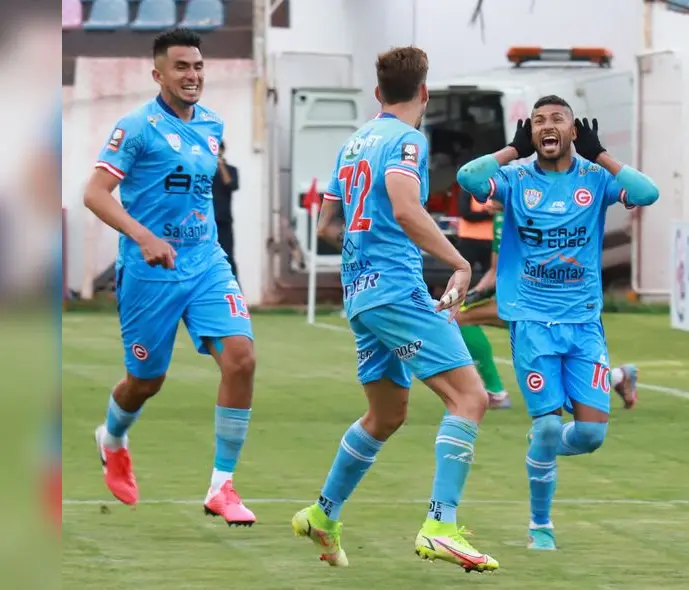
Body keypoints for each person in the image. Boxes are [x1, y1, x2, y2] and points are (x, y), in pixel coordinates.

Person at [292, 46, 498, 573]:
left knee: (386, 415)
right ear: (424, 93)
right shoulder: (408, 141)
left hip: (361, 295)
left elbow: (326, 226)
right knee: (470, 398)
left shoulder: (354, 143)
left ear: (378, 94)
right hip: (394, 291)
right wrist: (458, 261)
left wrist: (365, 251)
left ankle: (322, 513)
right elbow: (405, 207)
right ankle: (440, 525)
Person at [456, 95, 660, 550]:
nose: (548, 127)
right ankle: (540, 525)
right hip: (531, 322)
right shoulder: (514, 179)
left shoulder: (594, 179)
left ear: (573, 131)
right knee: (549, 425)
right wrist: (510, 149)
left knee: (589, 436)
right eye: (539, 122)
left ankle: (545, 443)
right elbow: (468, 177)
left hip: (584, 323)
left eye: (558, 120)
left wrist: (601, 154)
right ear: (531, 134)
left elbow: (647, 193)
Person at [82, 28, 257, 526]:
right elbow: (95, 194)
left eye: (198, 66)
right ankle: (113, 437)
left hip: (205, 262)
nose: (193, 75)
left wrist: (193, 241)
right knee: (146, 380)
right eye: (181, 67)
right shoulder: (136, 127)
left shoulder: (212, 123)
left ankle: (222, 486)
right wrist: (145, 237)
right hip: (149, 272)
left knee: (241, 359)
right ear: (158, 74)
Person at [458, 206, 640, 411]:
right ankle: (617, 377)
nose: (487, 202)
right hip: (519, 299)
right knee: (461, 316)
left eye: (491, 193)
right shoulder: (502, 219)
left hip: (539, 299)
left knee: (461, 318)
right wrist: (474, 293)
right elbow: (496, 270)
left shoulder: (535, 214)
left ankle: (497, 393)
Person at [212, 140, 240, 283]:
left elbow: (231, 185)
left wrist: (221, 165)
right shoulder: (205, 170)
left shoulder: (231, 170)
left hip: (224, 221)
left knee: (228, 256)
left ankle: (235, 292)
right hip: (206, 222)